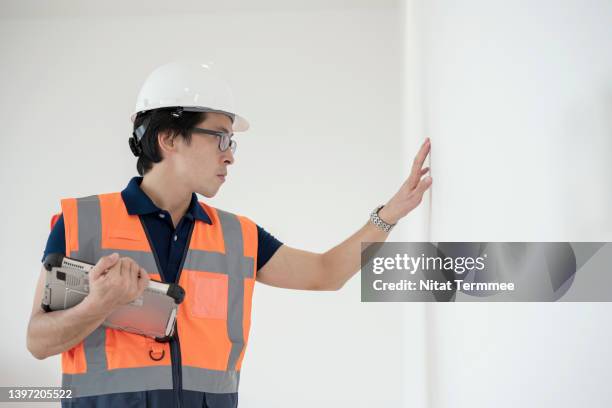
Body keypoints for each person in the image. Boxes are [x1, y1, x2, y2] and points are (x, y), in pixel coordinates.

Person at [26, 61, 432, 408]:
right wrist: (100, 304)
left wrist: (389, 215)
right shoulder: (84, 223)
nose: (230, 154)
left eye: (232, 141)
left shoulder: (237, 236)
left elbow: (326, 273)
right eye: (220, 136)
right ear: (168, 138)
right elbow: (38, 341)